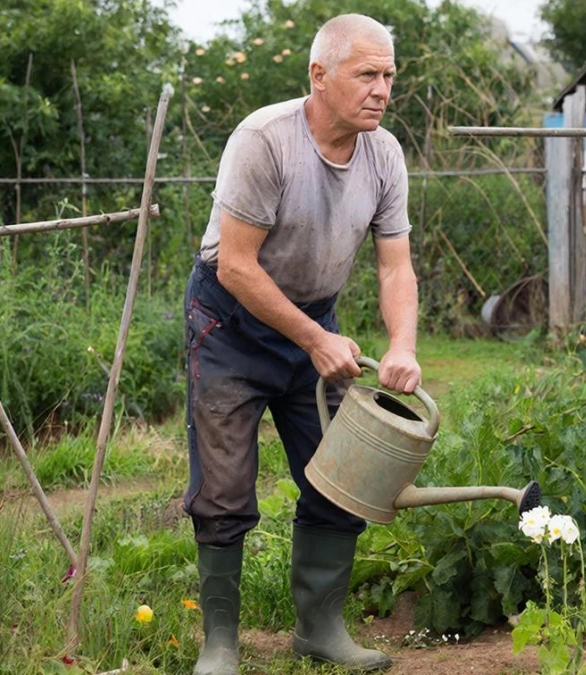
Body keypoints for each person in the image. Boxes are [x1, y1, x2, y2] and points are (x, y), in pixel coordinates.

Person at [182, 13, 420, 675]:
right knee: (225, 483)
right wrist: (317, 339)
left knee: (342, 477)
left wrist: (402, 344)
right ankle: (221, 644)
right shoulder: (265, 139)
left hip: (312, 322)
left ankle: (319, 628)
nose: (381, 89)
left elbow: (395, 265)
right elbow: (236, 265)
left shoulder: (384, 154)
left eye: (389, 76)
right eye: (366, 74)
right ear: (319, 74)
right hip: (228, 321)